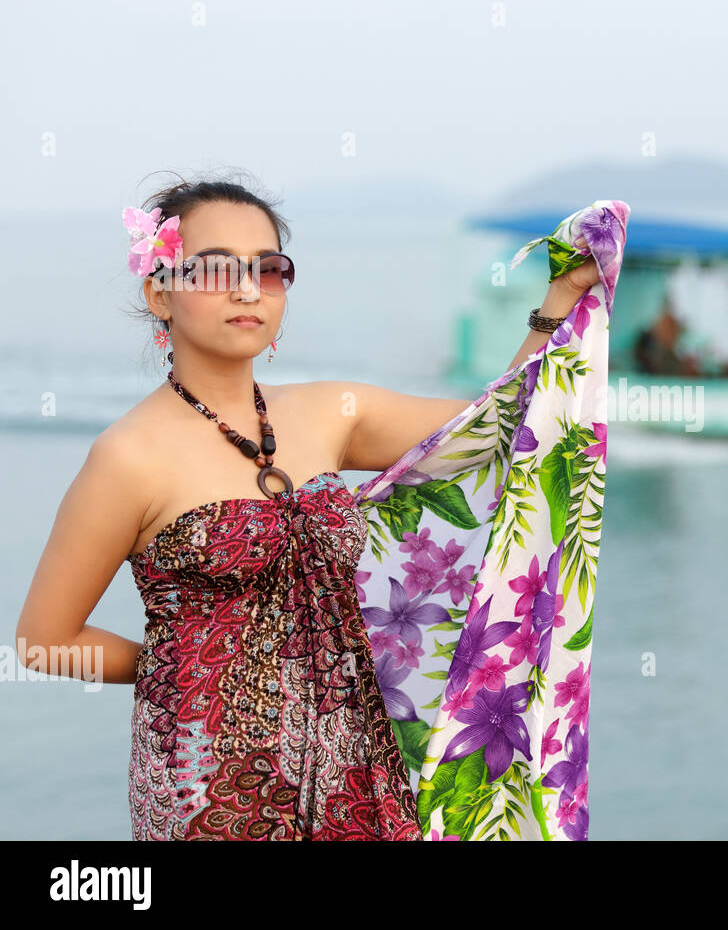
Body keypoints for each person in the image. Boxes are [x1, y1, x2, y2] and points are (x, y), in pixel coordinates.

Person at [12, 175, 600, 840]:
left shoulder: (333, 414)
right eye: (215, 270)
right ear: (159, 290)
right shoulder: (128, 456)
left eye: (268, 270)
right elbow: (43, 642)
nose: (246, 289)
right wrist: (174, 664)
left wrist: (561, 298)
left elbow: (504, 427)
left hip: (357, 766)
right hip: (210, 787)